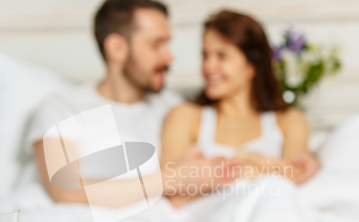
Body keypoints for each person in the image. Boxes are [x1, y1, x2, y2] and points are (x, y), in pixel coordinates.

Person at [26, 0, 239, 208]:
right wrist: (172, 179)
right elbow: (66, 191)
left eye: (168, 44)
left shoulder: (174, 109)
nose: (169, 56)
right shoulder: (63, 107)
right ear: (116, 48)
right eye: (156, 45)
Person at [161, 10, 320, 207]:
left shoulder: (290, 120)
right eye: (205, 55)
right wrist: (255, 166)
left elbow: (293, 181)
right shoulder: (185, 116)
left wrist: (237, 165)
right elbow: (172, 195)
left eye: (222, 56)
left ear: (252, 66)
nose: (209, 66)